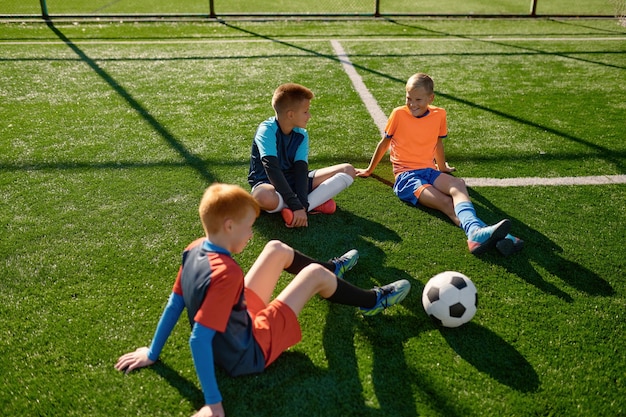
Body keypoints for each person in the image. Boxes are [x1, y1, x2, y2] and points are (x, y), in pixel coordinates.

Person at [115, 183, 410, 417]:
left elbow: (174, 303)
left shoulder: (194, 249)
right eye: (247, 226)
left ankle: (331, 269)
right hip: (247, 351)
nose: (250, 233)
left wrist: (153, 352)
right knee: (310, 277)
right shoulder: (226, 272)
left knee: (275, 248)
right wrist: (213, 404)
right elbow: (198, 340)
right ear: (229, 226)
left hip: (235, 326)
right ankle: (371, 300)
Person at [356, 73, 523, 256]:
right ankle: (491, 236)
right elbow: (384, 143)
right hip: (406, 177)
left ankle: (477, 235)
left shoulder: (439, 114)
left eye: (418, 99)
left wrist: (442, 167)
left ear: (431, 98)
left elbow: (438, 143)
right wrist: (369, 169)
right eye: (408, 98)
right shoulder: (398, 114)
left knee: (458, 184)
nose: (412, 104)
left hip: (429, 170)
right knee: (445, 202)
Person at [248, 83, 356, 228]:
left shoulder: (301, 134)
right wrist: (295, 204)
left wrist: (301, 206)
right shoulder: (266, 130)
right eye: (306, 112)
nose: (309, 116)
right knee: (262, 197)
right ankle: (314, 203)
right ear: (290, 114)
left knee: (348, 170)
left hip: (294, 182)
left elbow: (300, 171)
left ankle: (298, 209)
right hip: (268, 183)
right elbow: (272, 169)